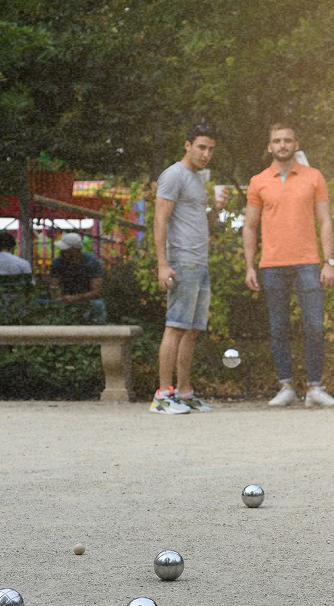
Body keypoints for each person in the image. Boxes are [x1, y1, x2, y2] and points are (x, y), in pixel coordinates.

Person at [243, 123, 334, 408]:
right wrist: (250, 266)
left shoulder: (314, 177)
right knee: (278, 327)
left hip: (309, 262)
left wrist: (329, 262)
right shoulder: (258, 181)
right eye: (277, 141)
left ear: (296, 144)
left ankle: (314, 387)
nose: (282, 145)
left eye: (287, 140)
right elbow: (250, 226)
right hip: (272, 264)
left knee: (314, 325)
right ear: (269, 147)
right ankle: (285, 385)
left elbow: (325, 221)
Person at [150, 122, 217, 414]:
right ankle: (163, 395)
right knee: (176, 327)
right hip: (181, 261)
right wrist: (163, 264)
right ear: (187, 144)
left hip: (199, 262)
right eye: (201, 147)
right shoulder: (174, 175)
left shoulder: (196, 178)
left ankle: (185, 392)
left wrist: (216, 213)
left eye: (211, 149)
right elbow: (160, 220)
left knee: (192, 330)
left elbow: (194, 221)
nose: (206, 154)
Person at [47, 232, 106, 323]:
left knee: (97, 304)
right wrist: (57, 296)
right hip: (64, 299)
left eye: (65, 250)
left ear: (75, 251)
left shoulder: (92, 263)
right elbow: (54, 284)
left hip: (88, 300)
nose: (61, 252)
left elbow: (96, 291)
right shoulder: (57, 262)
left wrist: (75, 298)